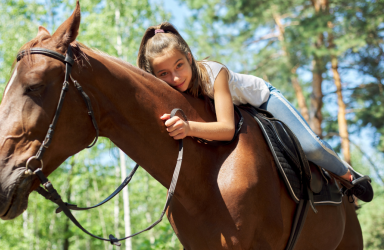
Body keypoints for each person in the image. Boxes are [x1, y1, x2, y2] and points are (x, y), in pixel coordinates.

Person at [136, 22, 373, 202]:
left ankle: (348, 175)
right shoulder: (175, 90)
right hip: (240, 109)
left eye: (179, 65)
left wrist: (187, 128)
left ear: (189, 57)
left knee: (310, 146)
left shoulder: (213, 73)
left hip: (262, 99)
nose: (175, 78)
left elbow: (227, 129)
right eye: (164, 74)